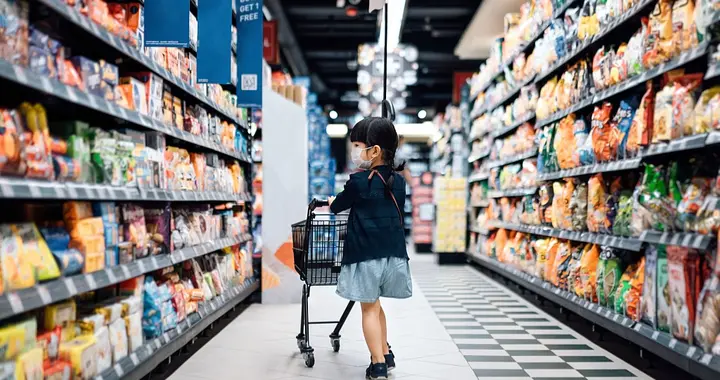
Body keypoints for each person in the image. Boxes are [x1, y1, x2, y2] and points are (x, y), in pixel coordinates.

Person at [328, 117, 412, 380]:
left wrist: (332, 201)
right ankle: (386, 352)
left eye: (357, 145)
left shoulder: (359, 182)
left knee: (368, 310)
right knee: (376, 308)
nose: (355, 151)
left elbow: (337, 206)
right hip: (394, 255)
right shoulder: (399, 182)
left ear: (374, 151)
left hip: (366, 255)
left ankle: (377, 365)